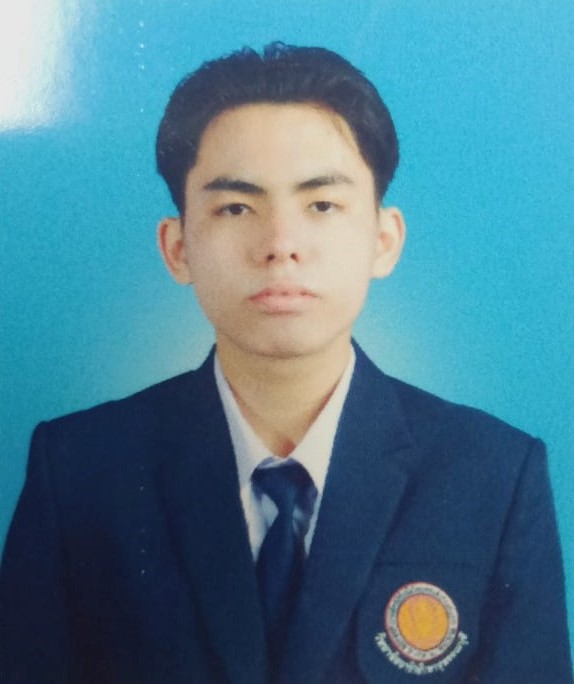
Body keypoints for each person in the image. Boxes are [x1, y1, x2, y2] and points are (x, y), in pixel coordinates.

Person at [0, 43, 571, 684]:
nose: (280, 245)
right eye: (236, 207)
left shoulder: (494, 474)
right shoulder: (79, 470)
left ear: (384, 240)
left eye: (321, 204)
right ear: (177, 246)